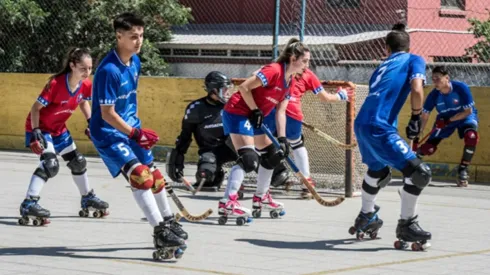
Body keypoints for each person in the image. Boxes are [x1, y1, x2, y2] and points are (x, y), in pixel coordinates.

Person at [89, 12, 187, 258]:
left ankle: (168, 220)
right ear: (118, 36)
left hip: (132, 130)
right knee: (141, 177)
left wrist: (137, 131)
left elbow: (129, 103)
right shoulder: (108, 70)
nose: (139, 41)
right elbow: (108, 113)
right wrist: (135, 133)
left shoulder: (135, 62)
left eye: (141, 35)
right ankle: (159, 230)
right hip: (110, 134)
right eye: (133, 36)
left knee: (155, 177)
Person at [349, 23, 432, 250]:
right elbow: (416, 89)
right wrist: (416, 117)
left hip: (362, 123)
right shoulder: (414, 59)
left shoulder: (383, 65)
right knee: (419, 173)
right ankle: (407, 224)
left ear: (387, 48)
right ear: (408, 45)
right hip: (380, 126)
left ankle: (366, 215)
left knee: (378, 170)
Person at [218, 38, 310, 225]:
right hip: (238, 112)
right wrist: (255, 110)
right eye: (305, 61)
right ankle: (228, 201)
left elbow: (281, 111)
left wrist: (283, 138)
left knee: (274, 155)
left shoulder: (290, 81)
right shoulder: (273, 70)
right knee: (249, 160)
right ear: (293, 58)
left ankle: (261, 197)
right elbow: (244, 87)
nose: (307, 66)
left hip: (253, 116)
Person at [19, 48, 109, 226]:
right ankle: (29, 203)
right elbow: (35, 108)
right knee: (50, 164)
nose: (87, 72)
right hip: (41, 128)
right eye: (83, 68)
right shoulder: (56, 84)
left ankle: (87, 198)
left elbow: (83, 101)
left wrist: (90, 122)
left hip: (58, 129)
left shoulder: (85, 85)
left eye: (90, 68)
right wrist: (35, 131)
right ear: (72, 66)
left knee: (78, 162)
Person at [167, 71, 291, 192]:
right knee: (205, 176)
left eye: (228, 88)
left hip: (234, 145)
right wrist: (177, 161)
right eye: (223, 89)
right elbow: (185, 136)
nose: (227, 93)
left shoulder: (235, 104)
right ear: (212, 90)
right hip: (211, 151)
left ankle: (276, 171)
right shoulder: (196, 108)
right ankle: (217, 175)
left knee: (248, 153)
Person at [264, 66, 354, 198]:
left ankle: (260, 185)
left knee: (260, 145)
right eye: (305, 60)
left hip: (270, 109)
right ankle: (306, 183)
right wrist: (341, 95)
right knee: (296, 144)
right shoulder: (307, 74)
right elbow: (326, 97)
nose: (306, 64)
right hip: (291, 112)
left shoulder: (277, 68)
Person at [416, 66, 479, 187]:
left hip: (464, 117)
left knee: (471, 137)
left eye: (438, 78)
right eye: (433, 79)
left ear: (447, 78)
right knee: (428, 148)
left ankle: (463, 170)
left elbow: (468, 111)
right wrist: (419, 132)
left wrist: (449, 120)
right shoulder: (434, 95)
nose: (435, 81)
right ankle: (413, 163)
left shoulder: (461, 88)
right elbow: (424, 116)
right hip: (444, 120)